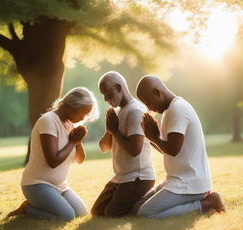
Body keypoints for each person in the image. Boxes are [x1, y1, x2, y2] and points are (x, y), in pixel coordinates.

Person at [133, 75, 225, 218]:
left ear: (158, 92)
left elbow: (173, 150)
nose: (149, 108)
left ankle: (206, 204)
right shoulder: (170, 110)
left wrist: (154, 137)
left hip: (190, 184)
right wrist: (150, 137)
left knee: (145, 213)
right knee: (137, 207)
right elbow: (168, 150)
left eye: (149, 103)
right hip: (177, 181)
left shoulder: (178, 109)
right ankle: (200, 202)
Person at [7, 87, 99, 221]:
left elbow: (80, 159)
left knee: (81, 212)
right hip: (37, 183)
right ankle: (27, 208)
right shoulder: (48, 121)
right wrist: (72, 142)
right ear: (73, 105)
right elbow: (53, 161)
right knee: (66, 216)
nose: (83, 118)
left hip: (61, 186)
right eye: (84, 113)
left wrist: (78, 141)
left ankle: (46, 202)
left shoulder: (70, 124)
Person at [91, 71, 156, 218]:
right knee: (97, 211)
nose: (105, 98)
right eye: (103, 95)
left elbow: (135, 150)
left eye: (108, 93)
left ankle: (149, 199)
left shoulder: (135, 111)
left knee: (112, 213)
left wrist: (115, 130)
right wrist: (110, 131)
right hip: (121, 177)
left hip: (138, 177)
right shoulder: (118, 111)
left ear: (119, 88)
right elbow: (104, 147)